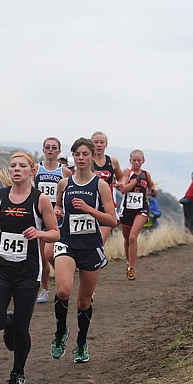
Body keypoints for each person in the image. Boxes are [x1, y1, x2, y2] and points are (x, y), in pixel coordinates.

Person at [0, 152, 60, 384]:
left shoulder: (39, 200)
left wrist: (39, 234)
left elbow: (55, 232)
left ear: (32, 171)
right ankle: (7, 321)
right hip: (0, 267)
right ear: (9, 171)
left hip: (27, 272)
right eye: (13, 166)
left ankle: (17, 372)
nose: (17, 169)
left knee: (23, 328)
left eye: (22, 166)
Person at [51, 138, 117, 363]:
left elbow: (112, 220)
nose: (81, 158)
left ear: (91, 157)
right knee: (62, 291)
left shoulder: (100, 185)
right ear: (73, 156)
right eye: (77, 154)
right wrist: (58, 212)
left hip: (90, 247)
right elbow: (58, 207)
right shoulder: (64, 184)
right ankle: (60, 334)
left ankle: (81, 342)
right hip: (67, 243)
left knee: (83, 302)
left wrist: (89, 209)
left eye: (85, 154)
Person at [34, 137, 71, 304]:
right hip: (39, 217)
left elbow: (69, 195)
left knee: (50, 254)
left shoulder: (65, 172)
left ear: (58, 151)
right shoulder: (36, 169)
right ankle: (45, 289)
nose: (50, 150)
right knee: (42, 256)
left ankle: (63, 278)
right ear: (43, 149)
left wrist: (61, 209)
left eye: (53, 147)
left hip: (57, 219)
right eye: (47, 147)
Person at [118, 150, 154, 280]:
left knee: (133, 237)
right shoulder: (127, 172)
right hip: (127, 210)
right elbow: (123, 190)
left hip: (141, 209)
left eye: (139, 160)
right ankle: (128, 262)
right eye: (134, 160)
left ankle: (131, 268)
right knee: (127, 239)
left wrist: (153, 191)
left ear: (143, 161)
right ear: (130, 161)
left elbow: (150, 188)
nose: (137, 163)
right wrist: (135, 181)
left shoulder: (146, 174)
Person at [91, 131, 125, 244]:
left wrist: (121, 184)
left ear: (106, 144)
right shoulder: (87, 161)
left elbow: (121, 177)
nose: (99, 145)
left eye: (102, 142)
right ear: (91, 144)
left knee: (100, 243)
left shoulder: (112, 161)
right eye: (96, 142)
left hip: (107, 205)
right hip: (90, 203)